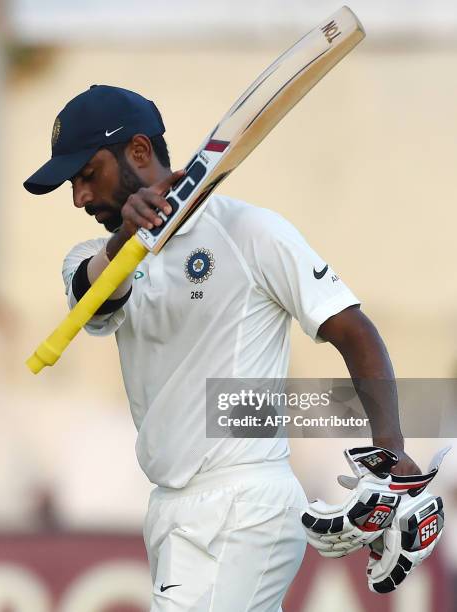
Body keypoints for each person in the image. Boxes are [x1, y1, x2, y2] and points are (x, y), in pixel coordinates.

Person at [24, 85, 421, 611]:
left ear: (139, 153)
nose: (79, 197)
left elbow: (355, 331)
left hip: (242, 501)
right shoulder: (94, 254)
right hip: (170, 508)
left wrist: (390, 454)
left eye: (87, 175)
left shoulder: (250, 232)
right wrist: (127, 236)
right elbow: (94, 299)